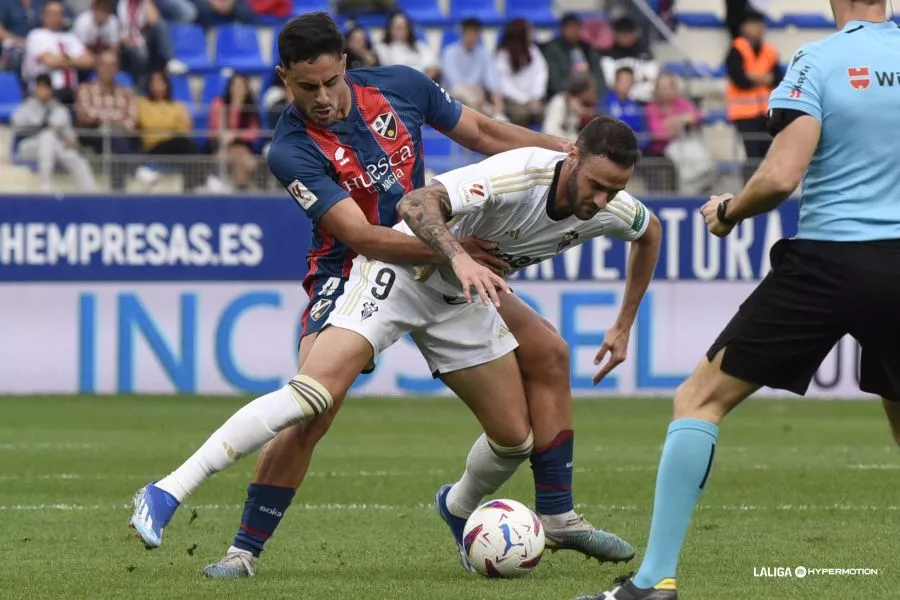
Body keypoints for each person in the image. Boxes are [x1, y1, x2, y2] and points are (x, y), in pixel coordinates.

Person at [128, 12, 632, 578]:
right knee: (313, 406)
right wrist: (455, 251)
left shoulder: (401, 87)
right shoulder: (290, 149)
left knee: (515, 436)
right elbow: (363, 237)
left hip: (441, 263)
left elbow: (486, 134)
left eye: (330, 81)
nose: (322, 98)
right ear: (283, 77)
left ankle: (462, 507)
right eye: (306, 87)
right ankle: (235, 546)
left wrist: (566, 152)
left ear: (346, 64)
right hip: (352, 270)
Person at [580, 2, 900, 599]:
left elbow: (780, 177)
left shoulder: (818, 61)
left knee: (698, 399)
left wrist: (728, 211)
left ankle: (653, 583)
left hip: (828, 262)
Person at [725, 9, 783, 183]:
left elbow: (778, 78)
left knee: (768, 155)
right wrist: (762, 79)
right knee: (752, 155)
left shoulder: (770, 51)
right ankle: (749, 188)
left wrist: (754, 77)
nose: (758, 28)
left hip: (766, 113)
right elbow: (740, 80)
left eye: (760, 24)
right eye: (753, 24)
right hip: (744, 114)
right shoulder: (736, 49)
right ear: (744, 27)